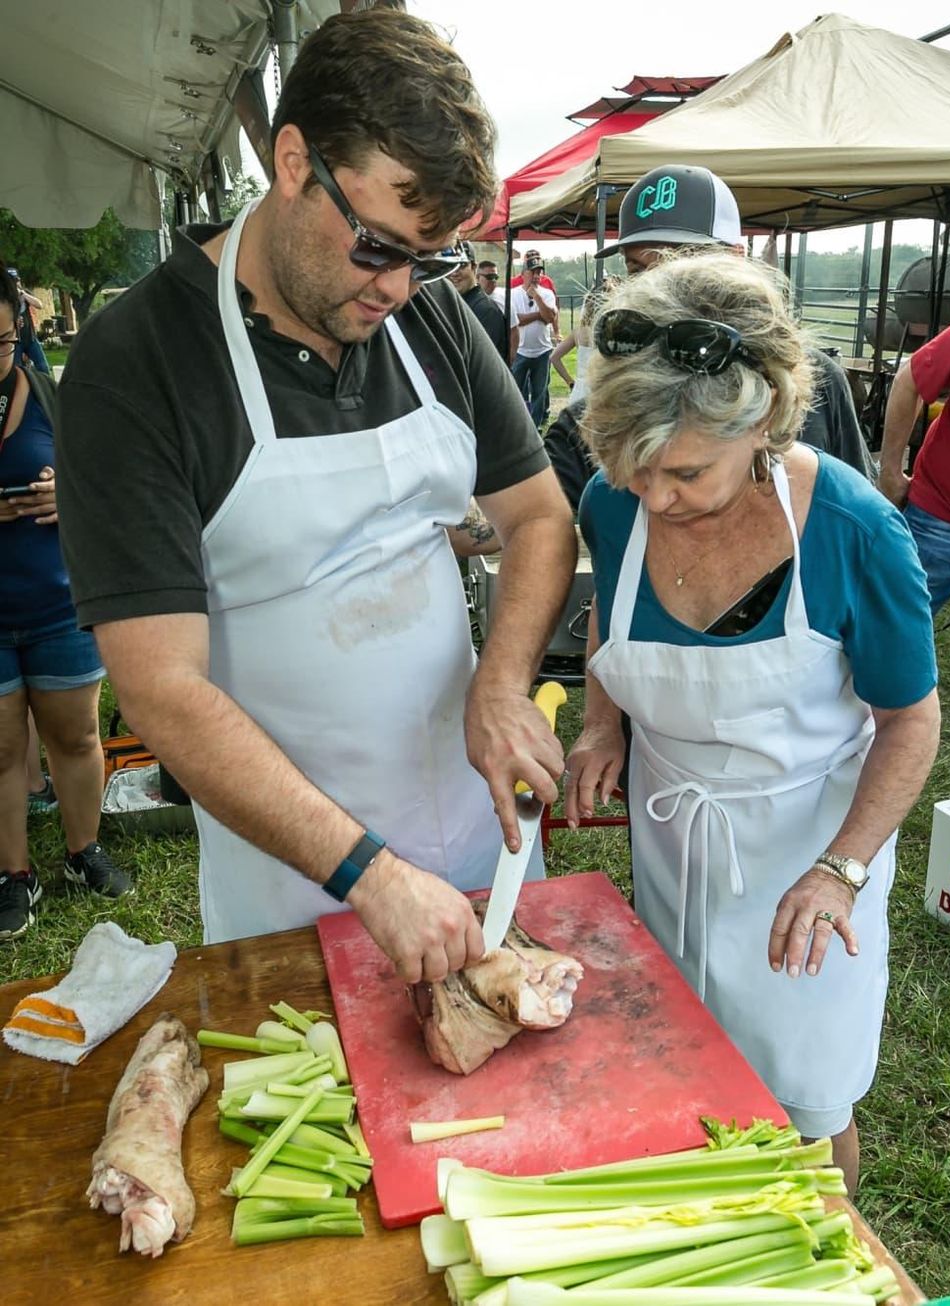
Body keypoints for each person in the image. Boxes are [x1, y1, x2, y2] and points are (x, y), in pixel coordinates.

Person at [56, 9, 575, 979]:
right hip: (293, 873)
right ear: (292, 161)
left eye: (429, 258)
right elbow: (161, 686)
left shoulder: (431, 321)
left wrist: (501, 681)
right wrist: (370, 874)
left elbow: (539, 516)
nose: (397, 290)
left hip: (476, 826)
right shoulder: (140, 362)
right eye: (379, 247)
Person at [565, 252, 940, 1192]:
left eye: (687, 471)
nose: (654, 496)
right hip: (675, 846)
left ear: (763, 420)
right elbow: (612, 624)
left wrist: (841, 871)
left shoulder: (852, 528)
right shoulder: (616, 505)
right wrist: (602, 726)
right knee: (683, 1078)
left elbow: (910, 724)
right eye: (634, 468)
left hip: (806, 864)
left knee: (807, 1108)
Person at [594, 165, 877, 480]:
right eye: (637, 269)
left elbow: (857, 501)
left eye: (680, 263)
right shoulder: (622, 377)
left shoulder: (814, 376)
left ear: (735, 258)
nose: (656, 287)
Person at [0, 269, 130, 941]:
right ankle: (13, 875)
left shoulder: (51, 393)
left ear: (18, 326)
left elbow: (104, 478)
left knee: (76, 736)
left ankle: (84, 850)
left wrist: (64, 493)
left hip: (58, 600)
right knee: (0, 750)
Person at [879, 298, 950, 782]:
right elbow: (911, 380)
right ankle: (839, 754)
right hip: (945, 520)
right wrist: (890, 472)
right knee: (884, 630)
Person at [511, 257, 558, 428]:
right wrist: (539, 315)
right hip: (520, 351)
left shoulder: (547, 294)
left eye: (539, 272)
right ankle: (519, 424)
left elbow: (550, 318)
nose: (537, 276)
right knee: (516, 390)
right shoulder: (514, 294)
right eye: (533, 272)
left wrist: (537, 298)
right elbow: (516, 320)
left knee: (539, 392)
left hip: (542, 351)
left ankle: (536, 426)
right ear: (523, 274)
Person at [449, 241, 509, 362]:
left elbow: (488, 363)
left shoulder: (486, 311)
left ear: (474, 267)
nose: (454, 273)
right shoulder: (456, 303)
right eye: (450, 266)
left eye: (461, 265)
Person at [5, 267, 50, 374]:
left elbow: (39, 305)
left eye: (16, 281)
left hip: (30, 338)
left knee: (42, 367)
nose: (15, 284)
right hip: (15, 341)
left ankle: (46, 388)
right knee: (17, 371)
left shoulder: (24, 294)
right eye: (11, 282)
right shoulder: (4, 298)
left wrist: (23, 294)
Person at [478, 260, 519, 362]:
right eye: (489, 277)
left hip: (499, 356)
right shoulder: (470, 298)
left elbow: (514, 330)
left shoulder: (503, 300)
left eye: (495, 277)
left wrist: (511, 356)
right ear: (478, 277)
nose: (493, 281)